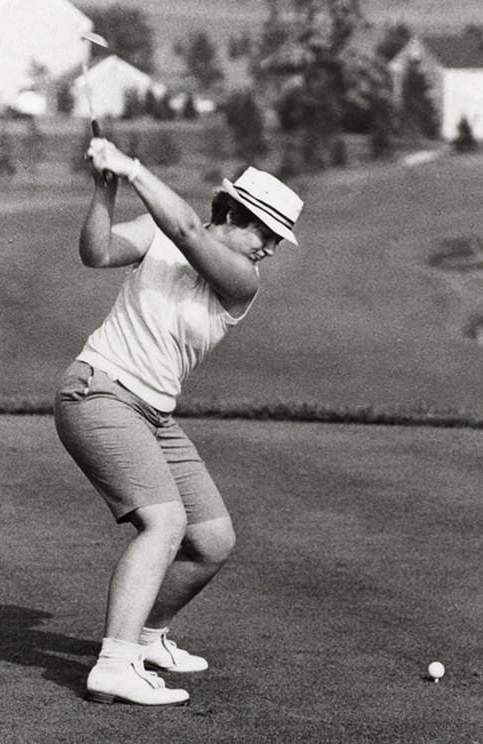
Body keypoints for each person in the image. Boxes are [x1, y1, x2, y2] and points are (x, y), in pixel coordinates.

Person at [53, 137, 303, 707]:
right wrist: (104, 191)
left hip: (154, 413)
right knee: (165, 523)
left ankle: (146, 638)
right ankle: (114, 665)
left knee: (212, 540)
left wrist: (132, 167)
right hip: (98, 391)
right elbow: (97, 253)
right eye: (265, 233)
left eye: (276, 240)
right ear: (233, 214)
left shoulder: (241, 279)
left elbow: (188, 230)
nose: (269, 249)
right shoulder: (155, 231)